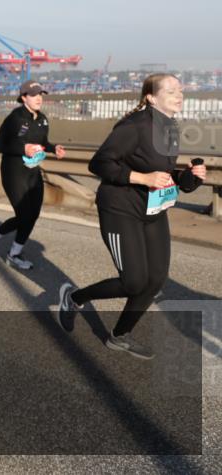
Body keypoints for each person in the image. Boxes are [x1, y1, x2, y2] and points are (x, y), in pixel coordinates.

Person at [58, 73, 205, 359]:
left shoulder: (170, 128)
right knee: (134, 282)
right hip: (120, 209)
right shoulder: (134, 126)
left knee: (156, 280)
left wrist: (189, 177)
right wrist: (141, 177)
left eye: (181, 90)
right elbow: (99, 163)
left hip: (152, 209)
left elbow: (164, 176)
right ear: (151, 97)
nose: (180, 95)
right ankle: (74, 298)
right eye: (172, 91)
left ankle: (119, 335)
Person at [0, 81, 66, 270]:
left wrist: (54, 148)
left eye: (40, 94)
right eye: (33, 94)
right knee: (23, 215)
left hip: (33, 171)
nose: (38, 98)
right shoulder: (15, 117)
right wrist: (23, 148)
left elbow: (42, 142)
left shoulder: (43, 119)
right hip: (13, 171)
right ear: (23, 97)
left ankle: (14, 253)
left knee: (33, 214)